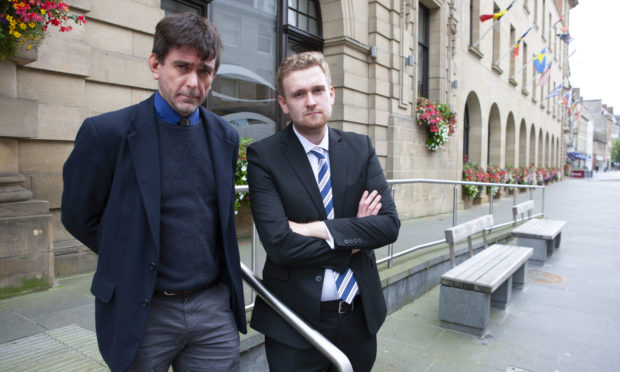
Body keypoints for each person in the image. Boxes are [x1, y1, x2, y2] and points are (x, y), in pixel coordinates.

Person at [61, 12, 246, 372]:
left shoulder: (225, 136)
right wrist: (133, 252)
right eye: (182, 66)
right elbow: (78, 216)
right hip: (142, 307)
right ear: (155, 64)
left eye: (205, 71)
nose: (194, 82)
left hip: (212, 308)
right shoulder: (107, 133)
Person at [247, 51, 400, 372]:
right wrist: (355, 234)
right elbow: (279, 244)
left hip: (358, 318)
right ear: (284, 104)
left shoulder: (361, 148)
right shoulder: (264, 156)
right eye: (299, 94)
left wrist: (317, 229)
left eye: (318, 90)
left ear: (331, 94)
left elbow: (388, 226)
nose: (311, 101)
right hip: (295, 323)